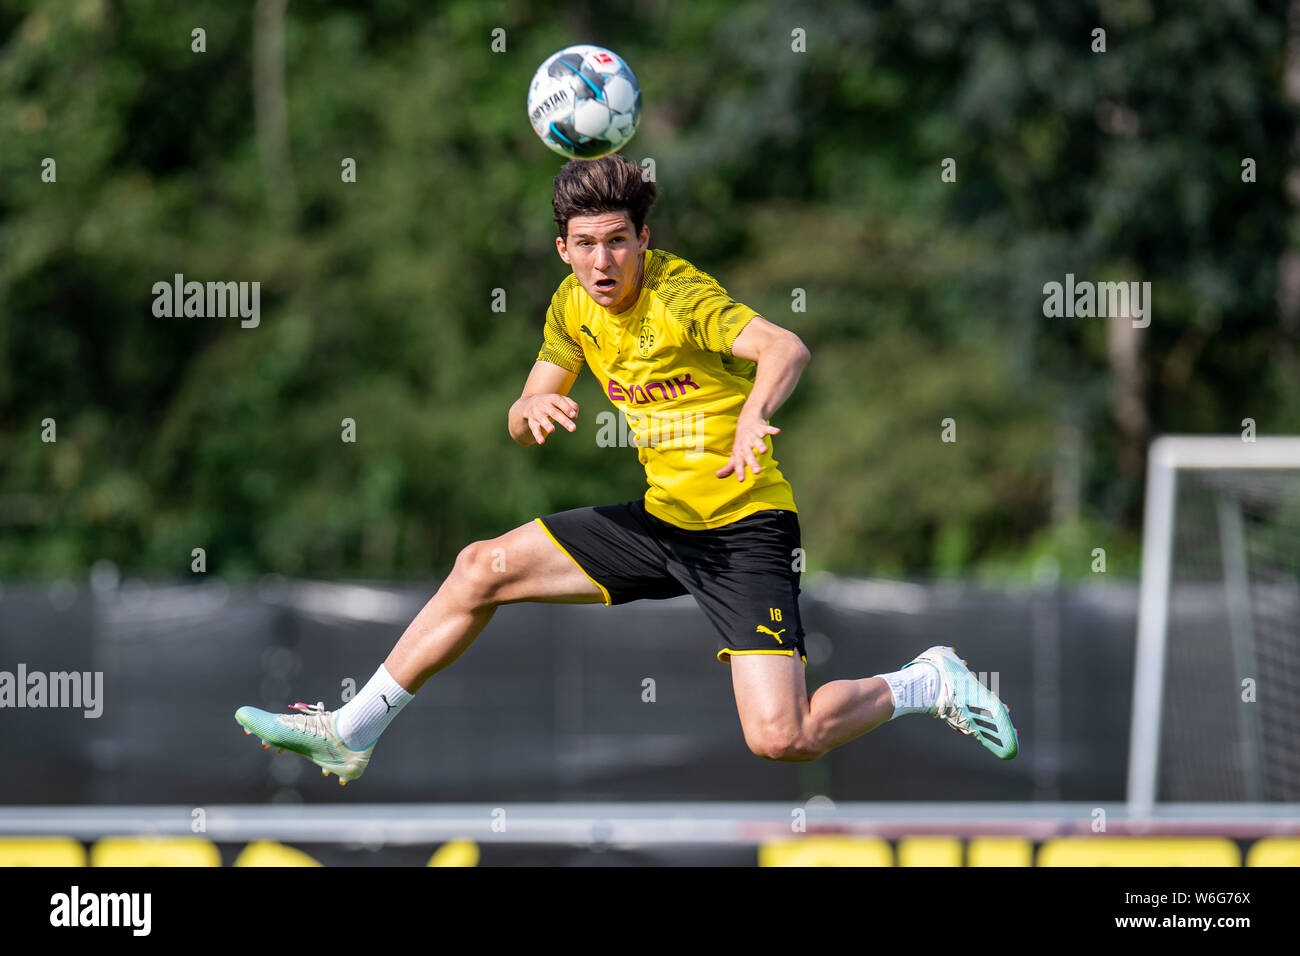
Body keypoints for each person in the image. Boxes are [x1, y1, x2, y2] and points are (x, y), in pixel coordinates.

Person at [235, 155, 1018, 784]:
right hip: (662, 523)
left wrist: (752, 414)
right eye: (586, 244)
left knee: (784, 737)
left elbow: (786, 348)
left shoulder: (681, 297)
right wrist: (527, 412)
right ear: (562, 249)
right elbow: (527, 401)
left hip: (745, 528)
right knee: (480, 567)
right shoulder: (571, 307)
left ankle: (927, 682)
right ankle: (350, 732)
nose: (602, 261)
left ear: (645, 240)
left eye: (618, 241)